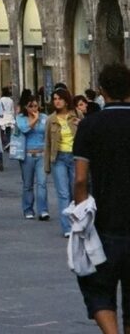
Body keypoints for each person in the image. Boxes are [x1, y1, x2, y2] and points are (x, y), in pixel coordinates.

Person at [72, 62, 130, 334]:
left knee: (99, 289)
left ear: (101, 90)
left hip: (105, 222)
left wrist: (81, 210)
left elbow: (81, 178)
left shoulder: (90, 126)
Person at [45, 87, 82, 237]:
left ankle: (77, 224)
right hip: (58, 157)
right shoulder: (51, 119)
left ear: (66, 100)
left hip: (75, 157)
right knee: (63, 193)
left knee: (76, 192)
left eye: (59, 98)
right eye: (54, 99)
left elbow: (86, 135)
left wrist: (82, 125)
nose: (57, 101)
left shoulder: (77, 115)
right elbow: (47, 143)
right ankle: (67, 228)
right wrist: (46, 165)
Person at [13, 94, 49, 220]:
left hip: (42, 154)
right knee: (28, 184)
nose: (34, 108)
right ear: (25, 107)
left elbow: (48, 133)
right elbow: (25, 129)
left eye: (36, 105)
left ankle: (43, 210)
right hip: (27, 155)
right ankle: (28, 209)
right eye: (31, 106)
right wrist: (34, 119)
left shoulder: (45, 117)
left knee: (42, 183)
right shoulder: (21, 118)